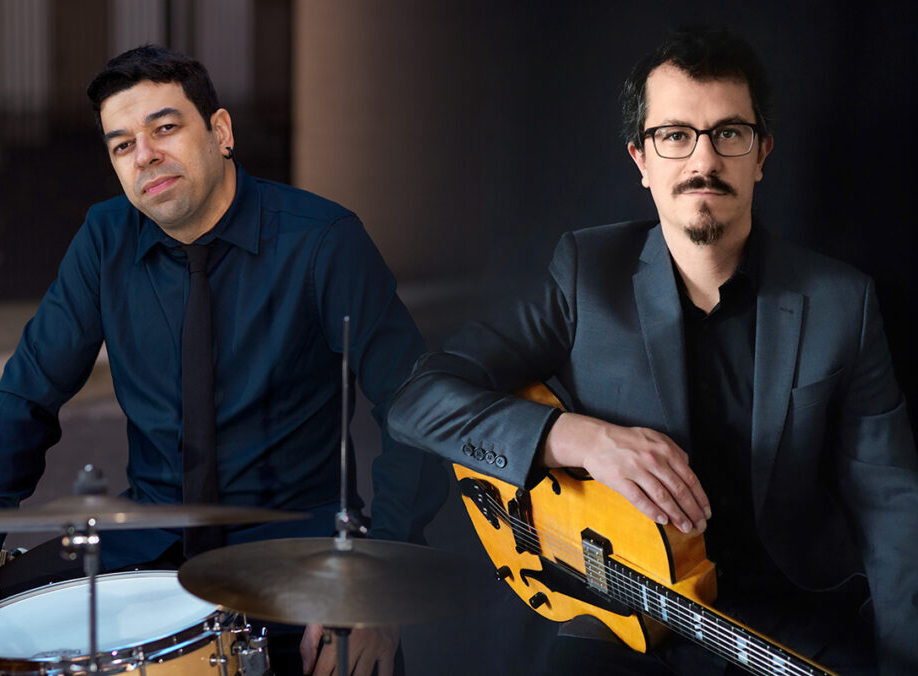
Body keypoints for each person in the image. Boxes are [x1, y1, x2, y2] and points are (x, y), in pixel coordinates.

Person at [387, 27, 917, 675]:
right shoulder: (586, 272)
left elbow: (895, 510)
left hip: (785, 612)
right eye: (675, 136)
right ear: (641, 160)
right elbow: (419, 402)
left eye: (730, 133)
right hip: (623, 612)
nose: (704, 161)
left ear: (762, 153)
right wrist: (579, 440)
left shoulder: (843, 302)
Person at [0, 45, 447, 676]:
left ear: (219, 133)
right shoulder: (104, 239)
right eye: (121, 144)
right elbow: (27, 395)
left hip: (294, 543)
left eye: (164, 128)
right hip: (145, 535)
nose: (144, 154)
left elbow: (419, 408)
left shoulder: (323, 242)